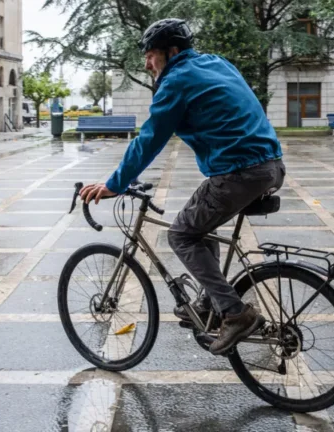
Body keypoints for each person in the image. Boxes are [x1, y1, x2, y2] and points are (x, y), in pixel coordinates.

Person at [79, 18, 285, 355]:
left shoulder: (176, 81)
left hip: (239, 171)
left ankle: (235, 313)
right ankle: (210, 304)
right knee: (200, 229)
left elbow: (149, 139)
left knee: (180, 234)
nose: (147, 63)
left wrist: (115, 184)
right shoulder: (217, 62)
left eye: (151, 55)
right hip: (271, 166)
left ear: (171, 52)